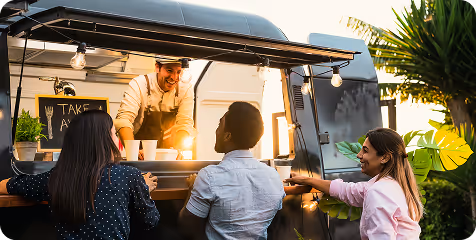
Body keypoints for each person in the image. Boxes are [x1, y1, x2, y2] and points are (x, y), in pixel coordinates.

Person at [0, 110, 160, 239]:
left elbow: (4, 185)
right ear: (104, 141)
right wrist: (143, 189)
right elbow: (150, 221)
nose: (115, 140)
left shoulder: (55, 177)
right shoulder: (129, 176)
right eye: (114, 134)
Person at [285, 128, 422, 240]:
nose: (358, 155)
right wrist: (307, 180)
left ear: (385, 157)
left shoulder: (379, 192)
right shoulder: (393, 184)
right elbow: (347, 191)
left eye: (365, 151)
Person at [178, 101, 286, 240]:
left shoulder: (210, 176)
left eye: (219, 125)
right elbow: (274, 223)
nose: (216, 130)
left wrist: (192, 189)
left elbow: (186, 227)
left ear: (227, 136)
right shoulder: (273, 176)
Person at [115, 56, 196, 159]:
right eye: (169, 70)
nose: (174, 77)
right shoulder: (139, 84)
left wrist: (179, 149)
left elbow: (184, 123)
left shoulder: (186, 88)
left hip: (168, 153)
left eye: (178, 72)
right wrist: (133, 151)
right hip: (140, 151)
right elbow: (124, 120)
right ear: (157, 67)